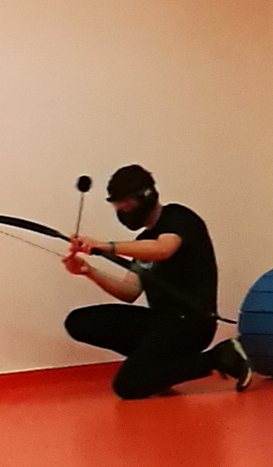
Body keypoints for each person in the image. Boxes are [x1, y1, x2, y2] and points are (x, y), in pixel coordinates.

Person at [63, 164, 250, 400]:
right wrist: (88, 271)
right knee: (79, 322)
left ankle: (219, 357)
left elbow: (163, 249)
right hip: (161, 321)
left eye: (127, 206)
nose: (124, 212)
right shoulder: (143, 240)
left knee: (127, 386)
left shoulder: (179, 218)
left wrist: (105, 246)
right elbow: (129, 291)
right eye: (119, 207)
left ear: (146, 196)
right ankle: (156, 369)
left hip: (191, 324)